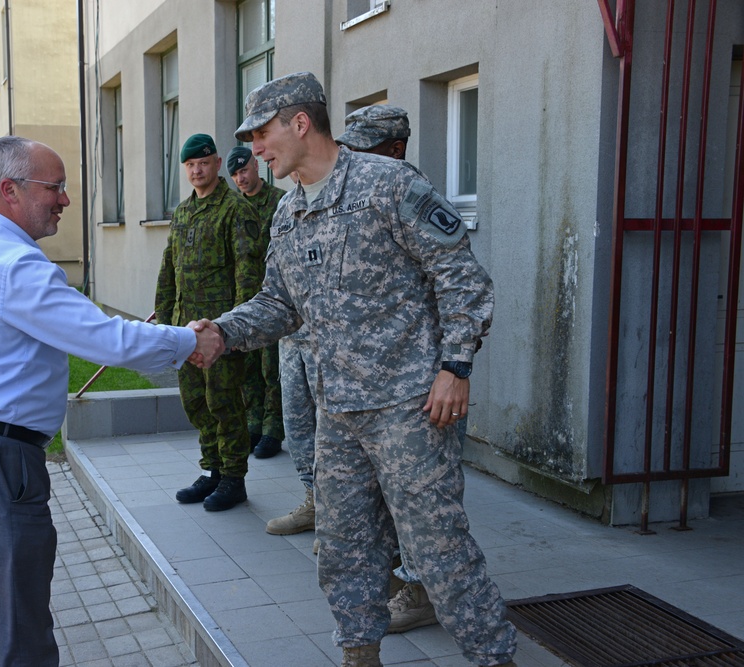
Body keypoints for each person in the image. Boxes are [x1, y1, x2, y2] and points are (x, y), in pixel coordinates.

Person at [190, 72, 517, 667]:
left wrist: (455, 366)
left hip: (409, 408)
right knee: (343, 549)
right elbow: (277, 304)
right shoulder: (288, 214)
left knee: (439, 552)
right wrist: (220, 333)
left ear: (299, 122)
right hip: (337, 411)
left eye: (261, 133)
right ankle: (359, 655)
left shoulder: (387, 184)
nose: (255, 150)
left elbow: (462, 277)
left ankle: (497, 658)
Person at [0, 135, 223, 666]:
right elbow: (102, 336)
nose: (64, 200)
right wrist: (188, 341)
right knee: (19, 639)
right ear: (10, 190)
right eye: (55, 188)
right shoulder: (8, 262)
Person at [336, 103, 440, 635]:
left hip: (417, 381)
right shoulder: (361, 194)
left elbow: (457, 282)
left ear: (395, 149)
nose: (351, 158)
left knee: (421, 498)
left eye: (363, 149)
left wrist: (452, 369)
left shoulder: (409, 194)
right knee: (384, 494)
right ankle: (406, 576)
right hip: (375, 379)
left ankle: (424, 588)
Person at [155, 133, 264, 512]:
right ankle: (213, 470)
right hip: (187, 332)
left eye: (203, 163)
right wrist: (166, 326)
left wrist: (233, 332)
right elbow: (169, 272)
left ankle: (234, 477)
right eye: (190, 166)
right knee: (197, 403)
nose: (197, 171)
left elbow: (248, 277)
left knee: (225, 403)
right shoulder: (182, 213)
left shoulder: (236, 210)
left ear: (218, 164)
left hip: (220, 333)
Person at [226, 145, 287, 460]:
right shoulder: (232, 208)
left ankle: (274, 427)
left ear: (256, 166)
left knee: (270, 366)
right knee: (247, 365)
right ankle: (253, 422)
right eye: (235, 174)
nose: (241, 178)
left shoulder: (279, 202)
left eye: (244, 170)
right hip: (241, 299)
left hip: (272, 298)